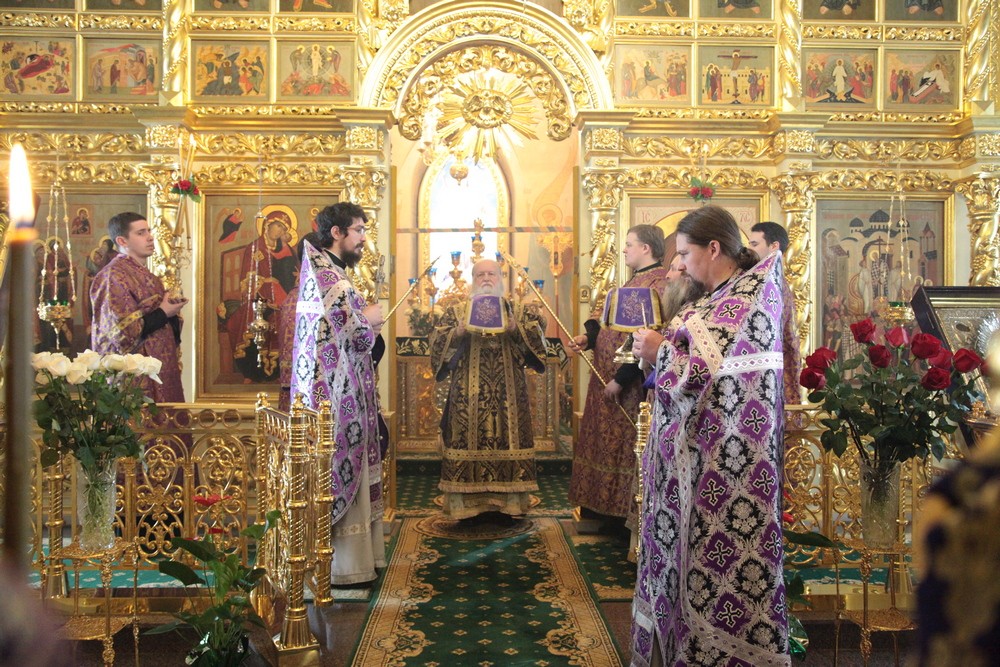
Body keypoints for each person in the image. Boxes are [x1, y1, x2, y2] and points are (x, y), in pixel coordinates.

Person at [630, 205, 789, 666]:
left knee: (717, 573)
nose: (679, 264)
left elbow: (704, 375)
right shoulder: (718, 295)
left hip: (725, 472)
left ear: (713, 248)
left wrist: (660, 350)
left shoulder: (749, 297)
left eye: (684, 253)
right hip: (691, 466)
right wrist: (657, 350)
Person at [290, 202, 385, 585]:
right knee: (342, 465)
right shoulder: (331, 279)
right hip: (335, 397)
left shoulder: (323, 272)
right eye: (358, 230)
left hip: (332, 392)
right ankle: (345, 566)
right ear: (336, 232)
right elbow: (356, 337)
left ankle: (354, 561)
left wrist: (364, 322)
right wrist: (370, 320)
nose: (363, 238)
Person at [567, 225, 672, 529]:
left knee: (626, 448)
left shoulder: (658, 285)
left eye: (629, 244)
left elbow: (644, 339)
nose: (624, 249)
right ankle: (600, 508)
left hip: (628, 389)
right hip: (606, 382)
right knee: (604, 445)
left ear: (646, 248)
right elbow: (607, 324)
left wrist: (622, 378)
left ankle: (622, 516)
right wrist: (587, 339)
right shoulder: (632, 281)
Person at [429, 259, 548, 521]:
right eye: (480, 274)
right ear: (473, 279)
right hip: (466, 396)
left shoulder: (517, 311)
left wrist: (516, 329)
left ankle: (510, 505)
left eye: (491, 274)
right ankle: (465, 507)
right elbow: (436, 343)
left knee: (509, 440)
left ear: (500, 278)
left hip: (509, 396)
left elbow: (539, 344)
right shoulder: (457, 311)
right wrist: (457, 332)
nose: (486, 279)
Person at [90, 211, 186, 402]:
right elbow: (121, 333)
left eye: (149, 231)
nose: (150, 237)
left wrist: (172, 311)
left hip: (160, 369)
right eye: (141, 233)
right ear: (122, 241)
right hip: (135, 379)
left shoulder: (148, 276)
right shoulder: (113, 276)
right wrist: (163, 312)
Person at [750, 221, 803, 409]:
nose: (749, 250)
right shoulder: (761, 281)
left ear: (774, 246)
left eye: (754, 244)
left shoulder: (771, 285)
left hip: (767, 378)